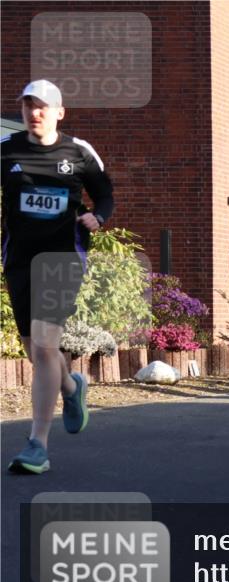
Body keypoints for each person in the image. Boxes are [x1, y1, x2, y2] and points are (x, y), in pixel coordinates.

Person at [3, 80, 113, 474]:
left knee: (46, 345)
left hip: (63, 257)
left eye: (43, 106)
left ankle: (38, 444)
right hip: (19, 258)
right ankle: (71, 386)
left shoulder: (78, 152)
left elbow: (105, 194)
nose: (34, 113)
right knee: (36, 351)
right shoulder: (7, 150)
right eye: (28, 105)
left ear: (59, 112)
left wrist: (98, 217)